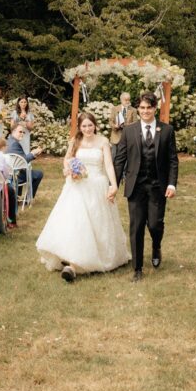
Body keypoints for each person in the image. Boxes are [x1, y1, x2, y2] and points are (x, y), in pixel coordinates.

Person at [36, 112, 130, 282]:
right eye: (84, 126)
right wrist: (70, 169)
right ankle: (72, 261)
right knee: (76, 222)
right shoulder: (75, 141)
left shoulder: (103, 141)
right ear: (79, 127)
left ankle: (85, 260)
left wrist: (113, 185)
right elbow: (67, 159)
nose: (87, 129)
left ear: (95, 125)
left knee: (96, 222)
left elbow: (109, 165)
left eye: (90, 125)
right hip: (77, 186)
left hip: (97, 185)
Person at [113, 91, 178, 282]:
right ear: (138, 109)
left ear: (155, 108)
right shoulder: (129, 131)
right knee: (137, 226)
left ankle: (156, 246)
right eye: (142, 108)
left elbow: (172, 160)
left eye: (149, 107)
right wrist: (113, 185)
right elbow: (120, 159)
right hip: (136, 186)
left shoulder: (167, 130)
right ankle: (138, 268)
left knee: (155, 224)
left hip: (158, 186)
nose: (145, 111)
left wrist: (172, 184)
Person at [6, 122, 44, 199]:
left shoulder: (8, 141)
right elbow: (23, 161)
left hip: (9, 172)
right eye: (20, 132)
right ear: (13, 131)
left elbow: (19, 159)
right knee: (39, 174)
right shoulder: (14, 144)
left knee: (23, 169)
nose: (22, 134)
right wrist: (33, 153)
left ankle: (17, 197)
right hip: (15, 175)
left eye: (23, 132)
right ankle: (28, 199)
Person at [108, 92, 138, 158]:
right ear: (121, 100)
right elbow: (110, 121)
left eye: (128, 100)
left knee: (125, 157)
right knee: (113, 156)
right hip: (116, 136)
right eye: (125, 100)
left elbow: (135, 123)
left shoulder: (133, 110)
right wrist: (115, 126)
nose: (127, 101)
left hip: (128, 137)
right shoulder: (115, 109)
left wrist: (127, 125)